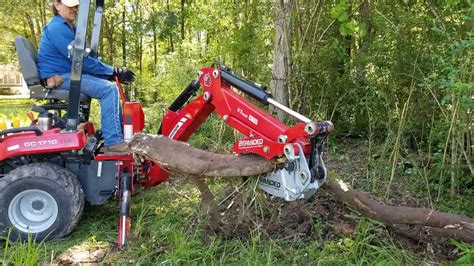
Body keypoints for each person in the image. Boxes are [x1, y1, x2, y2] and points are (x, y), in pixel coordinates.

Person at [37, 0, 134, 152]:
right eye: (70, 6)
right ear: (57, 5)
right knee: (109, 90)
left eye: (76, 6)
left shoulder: (70, 28)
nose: (74, 9)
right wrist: (113, 70)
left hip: (68, 74)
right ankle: (114, 141)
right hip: (59, 78)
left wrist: (108, 74)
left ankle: (118, 136)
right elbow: (81, 60)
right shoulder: (57, 28)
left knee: (109, 86)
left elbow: (83, 60)